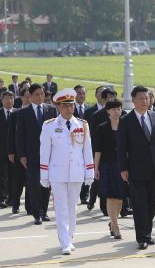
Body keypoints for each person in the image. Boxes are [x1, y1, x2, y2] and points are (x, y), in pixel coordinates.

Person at [40, 88, 94, 255]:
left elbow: (87, 150)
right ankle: (65, 242)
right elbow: (44, 151)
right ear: (58, 107)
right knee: (61, 208)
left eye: (71, 105)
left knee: (72, 207)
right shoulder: (49, 126)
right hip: (57, 173)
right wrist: (44, 174)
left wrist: (89, 172)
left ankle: (69, 238)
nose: (69, 108)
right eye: (65, 106)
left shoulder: (82, 124)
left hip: (76, 172)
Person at [118, 86, 155, 249]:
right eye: (140, 98)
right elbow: (121, 147)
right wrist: (123, 168)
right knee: (140, 204)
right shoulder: (126, 120)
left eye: (147, 98)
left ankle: (147, 231)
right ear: (133, 100)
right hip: (136, 170)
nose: (144, 101)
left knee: (153, 201)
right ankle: (142, 237)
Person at [16, 83, 57, 225]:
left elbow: (56, 133)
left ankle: (44, 211)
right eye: (37, 94)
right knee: (34, 185)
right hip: (31, 155)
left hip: (49, 155)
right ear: (31, 96)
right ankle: (36, 213)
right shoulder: (23, 113)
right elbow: (19, 136)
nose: (40, 97)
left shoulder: (51, 110)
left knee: (46, 184)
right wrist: (21, 155)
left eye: (42, 94)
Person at [94, 99, 126, 240]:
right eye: (113, 109)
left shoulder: (126, 125)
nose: (116, 112)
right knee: (110, 196)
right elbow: (98, 150)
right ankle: (115, 226)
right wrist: (96, 168)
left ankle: (113, 222)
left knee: (120, 198)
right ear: (108, 111)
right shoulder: (102, 128)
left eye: (118, 109)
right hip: (107, 165)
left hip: (122, 166)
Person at [0, 91, 15, 208]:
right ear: (2, 100)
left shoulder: (19, 113)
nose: (9, 100)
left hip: (15, 151)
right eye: (6, 98)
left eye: (11, 98)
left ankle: (13, 198)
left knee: (14, 175)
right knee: (3, 175)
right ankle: (3, 198)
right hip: (1, 151)